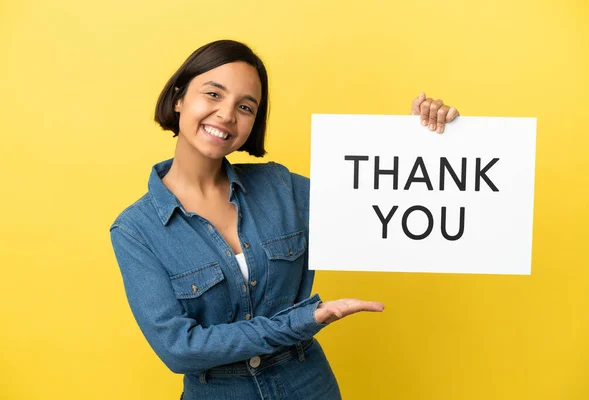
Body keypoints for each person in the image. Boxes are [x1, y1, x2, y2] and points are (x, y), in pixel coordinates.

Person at [109, 39, 459, 400]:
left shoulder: (281, 187)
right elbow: (179, 348)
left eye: (245, 106)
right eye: (213, 94)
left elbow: (382, 197)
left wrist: (424, 139)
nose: (227, 115)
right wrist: (303, 321)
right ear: (179, 97)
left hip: (309, 386)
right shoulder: (136, 230)